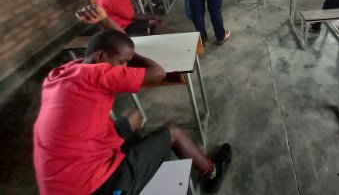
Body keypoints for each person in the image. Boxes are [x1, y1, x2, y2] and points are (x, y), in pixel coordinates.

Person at [33, 29, 232, 195]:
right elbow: (159, 72)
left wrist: (123, 53)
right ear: (100, 56)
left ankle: (140, 157)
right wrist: (131, 53)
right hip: (94, 187)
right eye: (123, 62)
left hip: (61, 179)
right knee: (173, 131)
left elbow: (111, 43)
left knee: (134, 117)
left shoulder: (62, 72)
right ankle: (212, 173)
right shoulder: (98, 74)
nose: (125, 68)